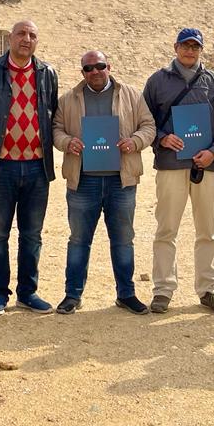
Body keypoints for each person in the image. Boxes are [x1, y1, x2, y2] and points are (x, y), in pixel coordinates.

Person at [52, 50, 156, 315]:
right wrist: (67, 142)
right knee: (78, 241)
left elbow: (149, 126)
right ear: (82, 72)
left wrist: (135, 141)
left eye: (99, 66)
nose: (95, 72)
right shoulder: (68, 100)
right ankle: (72, 295)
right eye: (88, 68)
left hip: (121, 181)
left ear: (109, 66)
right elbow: (56, 130)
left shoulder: (132, 95)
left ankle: (126, 294)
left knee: (123, 240)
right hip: (83, 181)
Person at [143, 27, 214, 314]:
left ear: (201, 50)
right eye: (185, 45)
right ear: (175, 47)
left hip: (206, 166)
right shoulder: (157, 81)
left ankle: (208, 289)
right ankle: (163, 289)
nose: (190, 51)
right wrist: (162, 138)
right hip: (171, 165)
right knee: (166, 229)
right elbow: (144, 120)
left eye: (195, 47)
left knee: (208, 230)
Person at [0, 20, 59, 315]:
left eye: (32, 35)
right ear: (10, 38)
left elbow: (52, 114)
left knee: (32, 235)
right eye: (21, 33)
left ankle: (27, 293)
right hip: (0, 167)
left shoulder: (47, 73)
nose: (26, 39)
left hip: (36, 167)